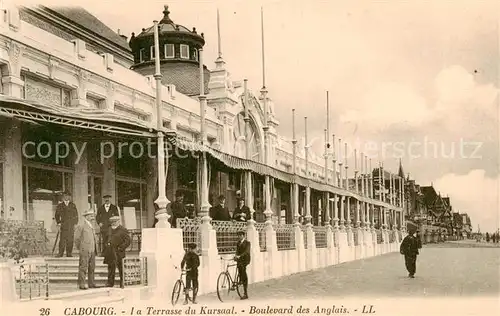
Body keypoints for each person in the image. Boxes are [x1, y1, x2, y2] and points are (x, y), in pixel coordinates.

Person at [104, 216, 131, 288]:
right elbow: (105, 239)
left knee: (121, 268)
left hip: (119, 252)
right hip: (110, 252)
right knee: (111, 269)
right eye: (112, 222)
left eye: (115, 222)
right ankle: (110, 283)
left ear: (118, 222)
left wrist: (121, 247)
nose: (113, 223)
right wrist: (107, 244)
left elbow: (128, 241)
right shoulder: (109, 229)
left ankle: (122, 283)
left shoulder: (123, 229)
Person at [74, 209, 98, 290]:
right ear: (86, 216)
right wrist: (81, 248)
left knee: (92, 267)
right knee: (83, 267)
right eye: (91, 216)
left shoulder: (91, 226)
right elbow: (77, 239)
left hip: (92, 250)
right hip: (85, 250)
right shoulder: (81, 225)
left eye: (92, 216)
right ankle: (82, 284)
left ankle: (91, 283)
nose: (92, 217)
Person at [54, 192, 79, 257]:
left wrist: (75, 224)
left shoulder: (73, 205)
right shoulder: (60, 205)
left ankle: (69, 253)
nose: (66, 197)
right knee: (62, 240)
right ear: (63, 197)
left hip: (71, 225)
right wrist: (59, 223)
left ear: (70, 197)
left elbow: (76, 215)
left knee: (70, 240)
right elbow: (57, 215)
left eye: (68, 196)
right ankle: (60, 253)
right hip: (63, 225)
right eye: (65, 196)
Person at [234, 230, 250, 300]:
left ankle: (245, 293)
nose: (239, 237)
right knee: (239, 268)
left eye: (240, 235)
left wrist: (240, 256)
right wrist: (235, 255)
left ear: (244, 236)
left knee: (243, 272)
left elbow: (247, 251)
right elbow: (237, 251)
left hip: (245, 259)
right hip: (240, 259)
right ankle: (240, 279)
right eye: (238, 235)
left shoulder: (247, 243)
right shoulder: (238, 243)